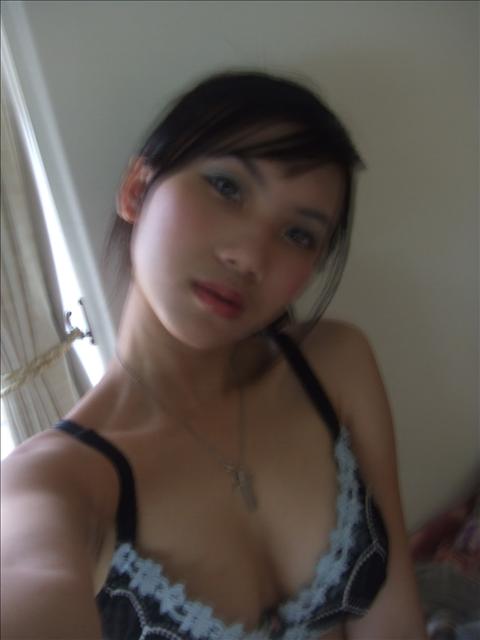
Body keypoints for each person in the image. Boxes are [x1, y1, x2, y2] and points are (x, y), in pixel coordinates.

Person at [1, 70, 427, 639]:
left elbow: (395, 619)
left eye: (298, 234)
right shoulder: (54, 485)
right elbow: (27, 579)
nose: (250, 257)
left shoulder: (333, 364)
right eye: (227, 187)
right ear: (137, 191)